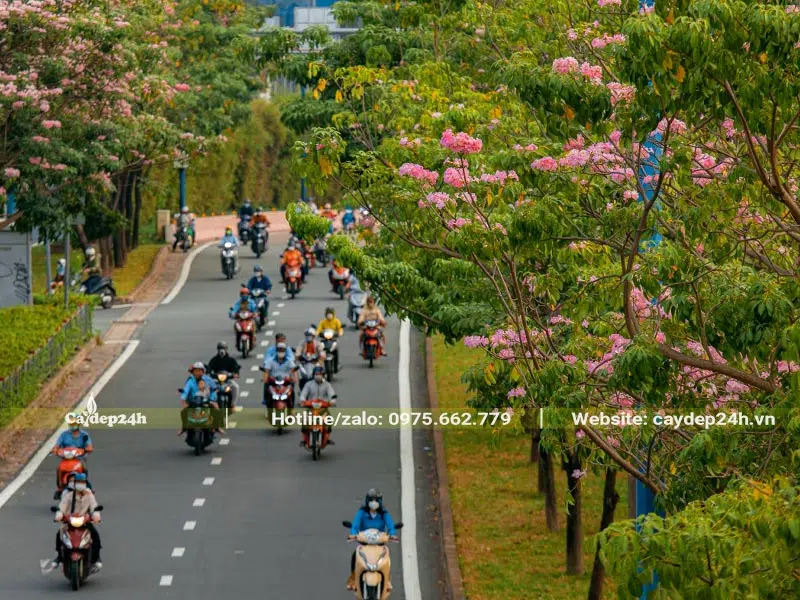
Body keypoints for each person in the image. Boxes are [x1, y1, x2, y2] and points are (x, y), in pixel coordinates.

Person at [346, 489, 398, 592]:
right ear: (367, 501)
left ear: (380, 501)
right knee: (354, 556)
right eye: (371, 500)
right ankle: (353, 579)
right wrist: (353, 534)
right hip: (364, 543)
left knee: (386, 559)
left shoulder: (384, 514)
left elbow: (391, 527)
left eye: (376, 500)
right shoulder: (361, 513)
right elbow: (355, 525)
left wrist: (392, 535)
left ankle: (387, 580)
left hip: (379, 544)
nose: (373, 503)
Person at [50, 473, 102, 570]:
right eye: (78, 482)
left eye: (82, 482)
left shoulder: (89, 495)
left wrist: (96, 516)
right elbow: (62, 506)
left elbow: (94, 506)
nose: (80, 484)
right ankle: (59, 557)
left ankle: (97, 558)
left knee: (95, 535)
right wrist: (59, 515)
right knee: (59, 535)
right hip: (69, 521)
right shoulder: (69, 495)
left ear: (85, 483)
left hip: (85, 521)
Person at [177, 362, 222, 435]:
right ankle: (184, 428)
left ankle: (217, 427)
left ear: (203, 371)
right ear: (193, 372)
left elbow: (214, 389)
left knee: (216, 408)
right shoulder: (190, 381)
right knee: (183, 412)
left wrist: (212, 399)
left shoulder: (208, 379)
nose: (198, 373)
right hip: (193, 401)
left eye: (199, 370)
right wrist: (183, 400)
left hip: (206, 400)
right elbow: (185, 391)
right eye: (196, 371)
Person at [298, 365, 337, 446]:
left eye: (320, 374)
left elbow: (332, 394)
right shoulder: (308, 384)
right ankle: (304, 439)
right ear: (313, 375)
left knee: (328, 420)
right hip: (311, 408)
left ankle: (327, 437)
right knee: (305, 421)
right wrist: (302, 400)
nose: (318, 376)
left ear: (323, 375)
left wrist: (332, 401)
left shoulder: (327, 385)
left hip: (323, 408)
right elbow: (303, 394)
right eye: (316, 374)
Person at [52, 423, 94, 493]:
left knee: (84, 469)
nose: (72, 425)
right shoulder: (63, 435)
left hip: (79, 458)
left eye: (74, 424)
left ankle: (86, 485)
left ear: (78, 424)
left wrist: (88, 449)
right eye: (71, 424)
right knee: (59, 468)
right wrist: (55, 450)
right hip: (66, 458)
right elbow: (57, 446)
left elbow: (89, 446)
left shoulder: (84, 435)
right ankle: (60, 487)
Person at [261, 342, 298, 415]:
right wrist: (265, 379)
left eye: (282, 351)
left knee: (291, 392)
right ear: (277, 351)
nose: (281, 352)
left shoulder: (289, 361)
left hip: (286, 381)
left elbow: (293, 370)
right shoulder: (270, 361)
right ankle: (269, 410)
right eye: (279, 351)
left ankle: (291, 409)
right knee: (268, 391)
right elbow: (266, 371)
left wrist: (294, 378)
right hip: (273, 381)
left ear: (285, 351)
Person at [207, 342, 241, 412]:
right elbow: (209, 368)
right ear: (217, 350)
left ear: (226, 349)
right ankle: (210, 403)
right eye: (220, 348)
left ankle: (233, 405)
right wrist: (209, 372)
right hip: (216, 380)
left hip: (228, 380)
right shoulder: (214, 360)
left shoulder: (231, 360)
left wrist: (236, 374)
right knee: (208, 387)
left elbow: (236, 368)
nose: (222, 350)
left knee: (235, 387)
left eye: (223, 348)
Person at [317, 307, 344, 372]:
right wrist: (316, 333)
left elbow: (340, 328)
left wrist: (340, 333)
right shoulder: (323, 322)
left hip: (333, 339)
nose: (329, 316)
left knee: (336, 350)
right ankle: (319, 366)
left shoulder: (336, 321)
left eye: (331, 314)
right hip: (324, 339)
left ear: (333, 315)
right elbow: (319, 329)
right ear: (326, 315)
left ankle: (336, 364)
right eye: (328, 314)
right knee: (319, 350)